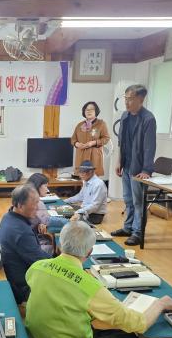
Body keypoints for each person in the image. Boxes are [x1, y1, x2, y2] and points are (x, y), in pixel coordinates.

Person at [25, 221, 172, 338]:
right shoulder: (91, 287)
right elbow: (138, 324)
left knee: (103, 329)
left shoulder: (36, 267)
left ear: (59, 245)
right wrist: (160, 304)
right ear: (89, 252)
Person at [111, 85, 157, 246]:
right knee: (128, 199)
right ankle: (128, 227)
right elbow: (121, 142)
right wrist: (119, 161)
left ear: (140, 99)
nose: (126, 102)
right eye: (126, 98)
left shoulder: (148, 119)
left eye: (130, 99)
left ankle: (138, 232)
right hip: (127, 164)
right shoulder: (125, 116)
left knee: (138, 202)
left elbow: (150, 147)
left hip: (139, 168)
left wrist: (146, 170)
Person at [0, 185, 51, 304]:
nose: (38, 207)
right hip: (22, 286)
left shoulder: (8, 216)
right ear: (20, 206)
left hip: (13, 274)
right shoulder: (21, 232)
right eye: (34, 203)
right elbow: (42, 262)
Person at [26, 173, 65, 254]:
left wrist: (41, 222)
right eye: (46, 186)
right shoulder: (37, 202)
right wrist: (70, 221)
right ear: (38, 186)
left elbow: (42, 220)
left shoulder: (26, 197)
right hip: (31, 245)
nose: (48, 190)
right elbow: (48, 220)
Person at [71, 101, 110, 176]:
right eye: (87, 109)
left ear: (96, 111)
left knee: (93, 178)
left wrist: (93, 143)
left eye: (92, 109)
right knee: (82, 178)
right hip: (81, 156)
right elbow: (73, 139)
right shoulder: (79, 125)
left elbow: (106, 138)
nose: (89, 111)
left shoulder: (101, 124)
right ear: (84, 112)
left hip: (94, 157)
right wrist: (77, 144)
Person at [66, 160, 108, 224]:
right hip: (85, 210)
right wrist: (65, 201)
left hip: (95, 215)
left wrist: (78, 212)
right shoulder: (86, 181)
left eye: (83, 172)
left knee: (69, 219)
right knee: (63, 208)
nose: (80, 175)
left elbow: (95, 206)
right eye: (80, 172)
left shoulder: (99, 184)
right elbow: (80, 196)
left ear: (91, 172)